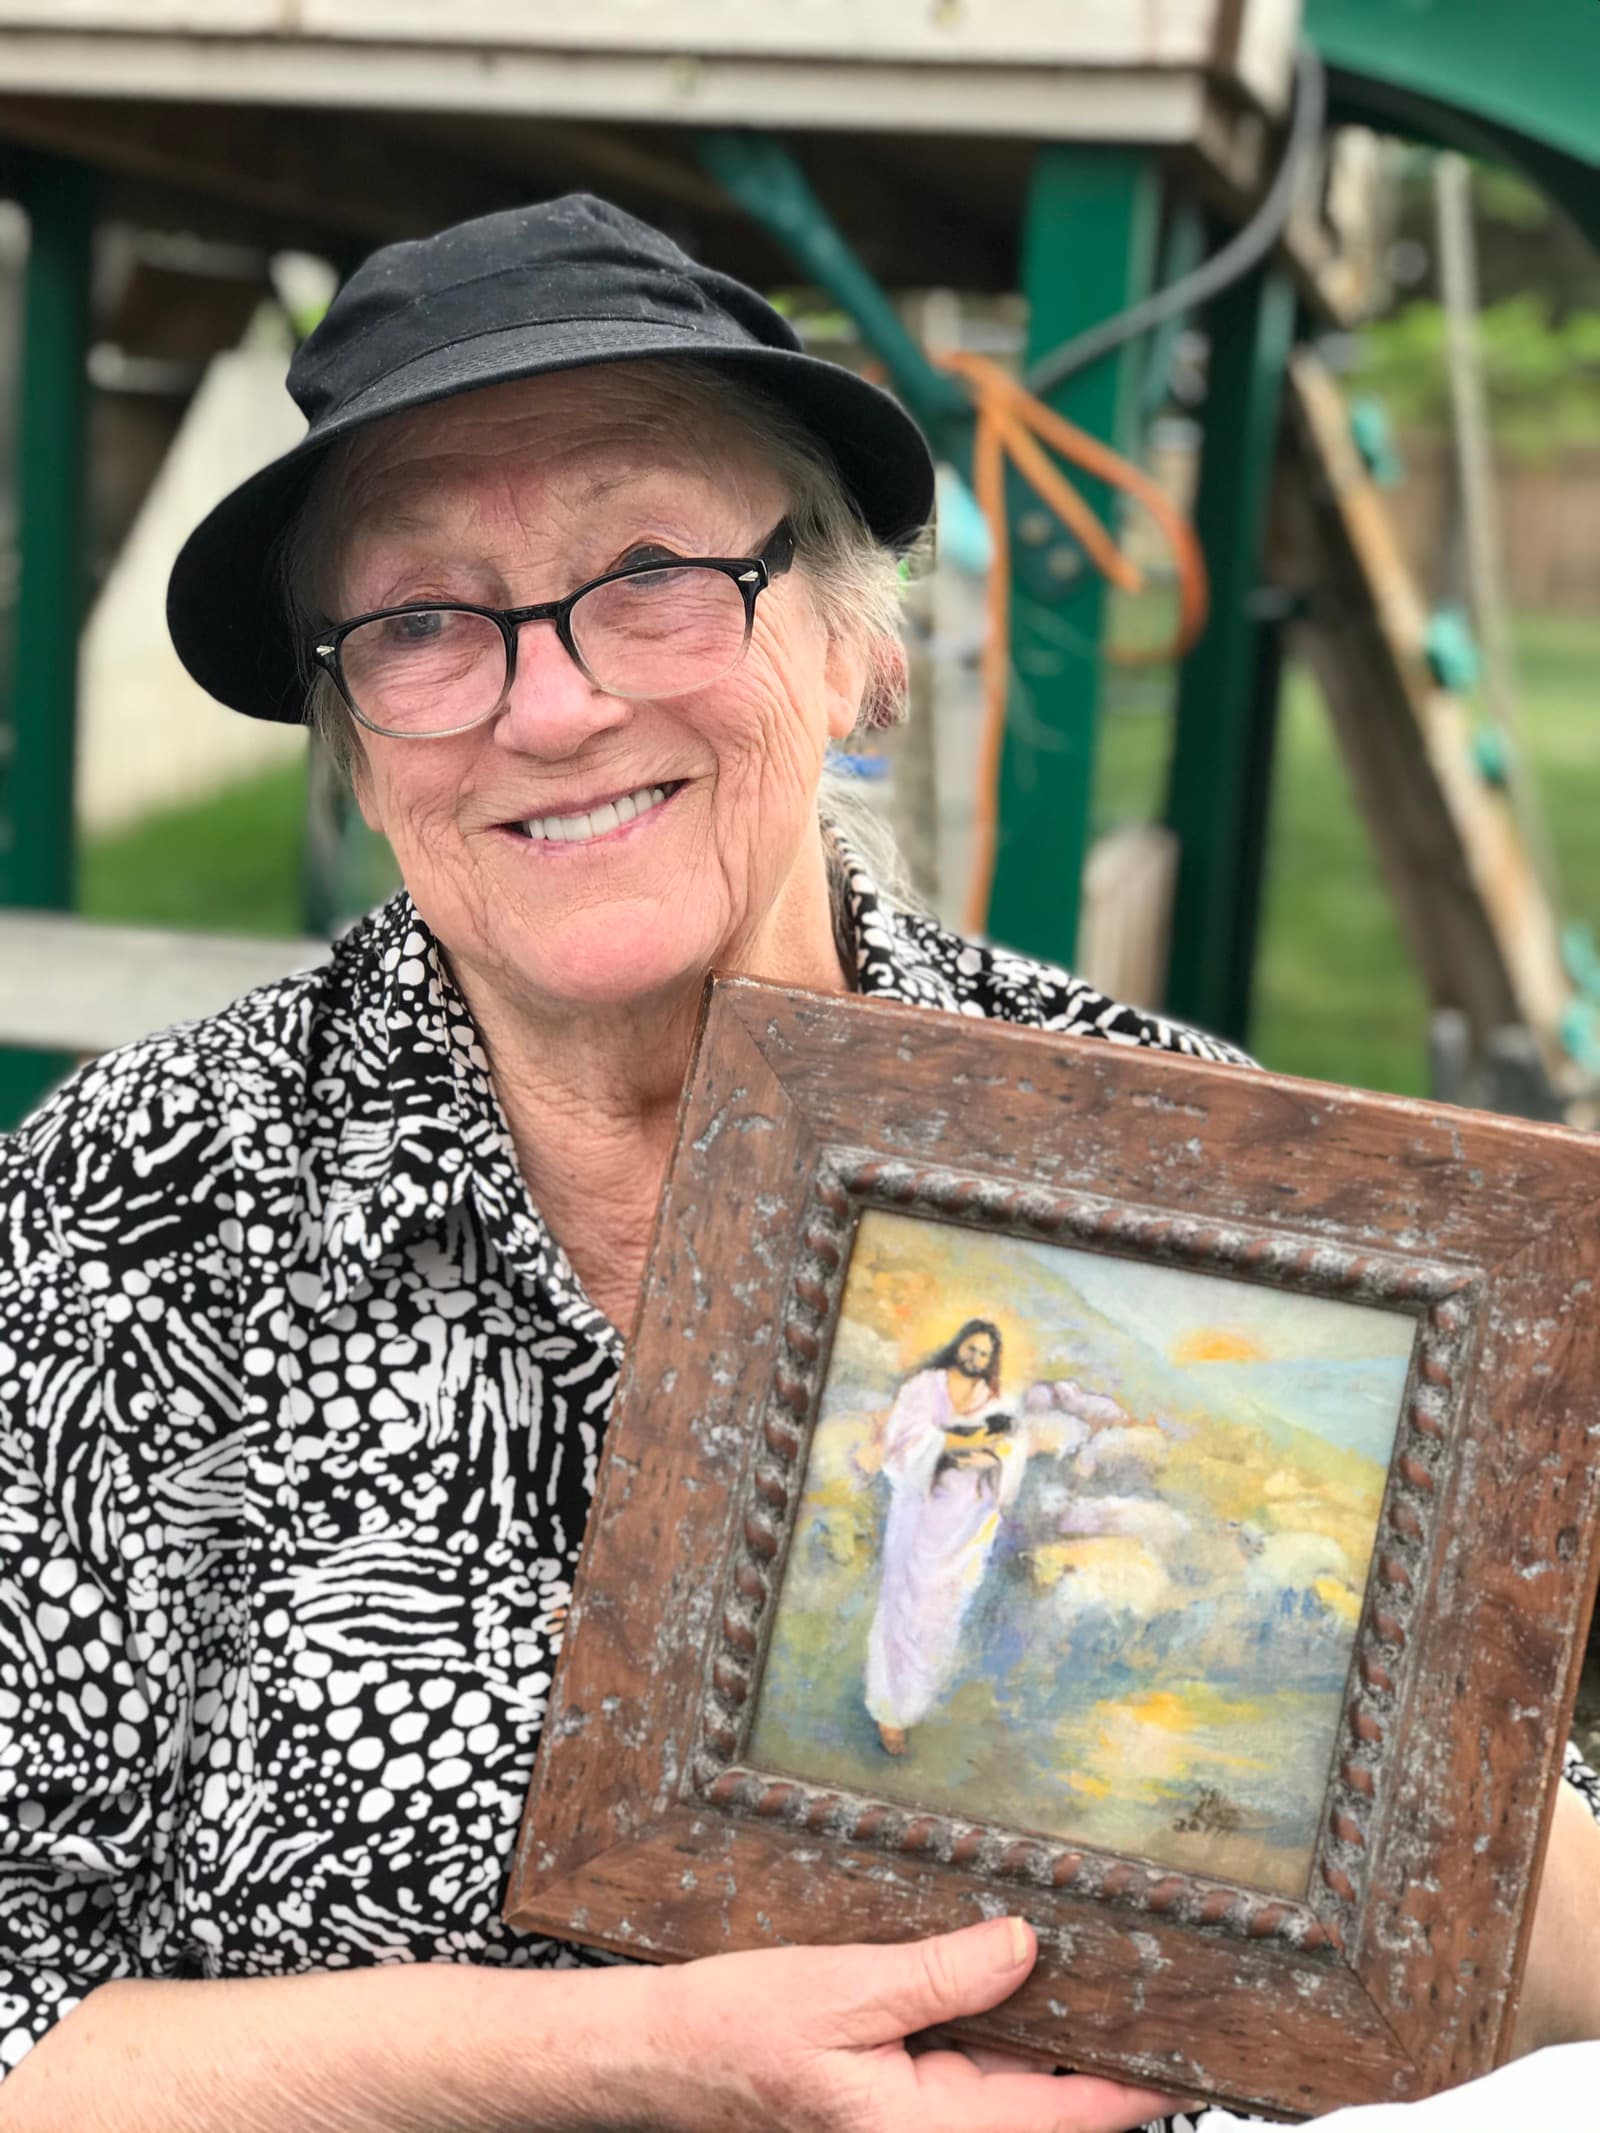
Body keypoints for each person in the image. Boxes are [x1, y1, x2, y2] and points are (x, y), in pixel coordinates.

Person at [0, 192, 1595, 2133]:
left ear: (851, 656)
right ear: (350, 737)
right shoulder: (136, 1206)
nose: (552, 698)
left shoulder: (1174, 1175)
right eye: (420, 620)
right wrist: (634, 2069)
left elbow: (1492, 1877)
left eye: (651, 571)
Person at [865, 1320, 1019, 1753]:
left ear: (991, 1362)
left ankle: (913, 1704)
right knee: (902, 1608)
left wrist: (987, 1457)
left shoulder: (996, 1401)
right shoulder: (923, 1387)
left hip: (963, 1522)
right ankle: (888, 1712)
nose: (975, 1358)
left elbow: (1009, 1453)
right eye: (971, 1348)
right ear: (958, 1346)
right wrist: (950, 1449)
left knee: (939, 1612)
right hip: (919, 1517)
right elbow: (903, 1444)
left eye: (984, 1354)